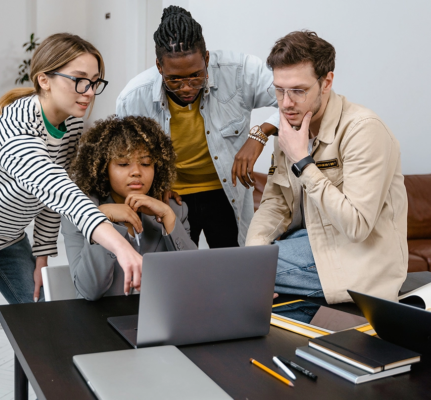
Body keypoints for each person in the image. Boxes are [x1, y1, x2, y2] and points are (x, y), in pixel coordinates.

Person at [0, 33, 142, 399]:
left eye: (95, 82)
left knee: (46, 323)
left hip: (9, 236)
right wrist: (121, 247)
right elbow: (60, 191)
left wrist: (42, 254)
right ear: (44, 80)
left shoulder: (72, 125)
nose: (89, 91)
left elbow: (48, 199)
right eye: (79, 79)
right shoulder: (12, 129)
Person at [246, 30, 408, 304]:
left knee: (231, 277)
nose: (286, 103)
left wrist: (302, 161)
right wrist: (252, 257)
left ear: (327, 82)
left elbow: (356, 227)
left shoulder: (364, 130)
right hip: (308, 243)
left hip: (358, 258)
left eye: (298, 90)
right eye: (279, 90)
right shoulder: (290, 126)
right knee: (241, 269)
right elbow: (275, 203)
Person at [116, 5, 279, 248]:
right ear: (159, 67)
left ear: (207, 59)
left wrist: (260, 133)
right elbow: (125, 157)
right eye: (174, 79)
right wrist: (155, 186)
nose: (186, 87)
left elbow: (295, 99)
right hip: (174, 197)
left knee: (233, 267)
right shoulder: (133, 98)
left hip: (227, 192)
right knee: (179, 271)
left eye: (195, 75)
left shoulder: (240, 71)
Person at [62, 115, 197, 300]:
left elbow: (194, 279)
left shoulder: (174, 208)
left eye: (146, 163)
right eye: (123, 164)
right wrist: (104, 218)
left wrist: (168, 216)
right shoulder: (81, 211)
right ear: (103, 168)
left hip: (161, 320)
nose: (136, 172)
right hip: (102, 321)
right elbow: (89, 291)